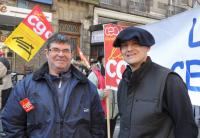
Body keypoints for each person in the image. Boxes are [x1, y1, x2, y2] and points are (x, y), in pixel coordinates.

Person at [1, 33, 105, 138]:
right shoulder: (26, 87)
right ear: (47, 53)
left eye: (66, 50)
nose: (61, 54)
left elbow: (98, 126)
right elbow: (12, 123)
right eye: (55, 49)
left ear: (71, 54)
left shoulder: (87, 87)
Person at [113, 26, 198, 138]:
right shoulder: (124, 82)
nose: (129, 49)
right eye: (124, 45)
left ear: (148, 47)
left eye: (135, 44)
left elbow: (186, 128)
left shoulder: (169, 80)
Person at [88, 55, 118, 138]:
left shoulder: (116, 73)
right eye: (107, 58)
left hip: (113, 114)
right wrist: (102, 93)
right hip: (100, 115)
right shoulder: (94, 74)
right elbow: (89, 91)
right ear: (102, 60)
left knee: (110, 135)